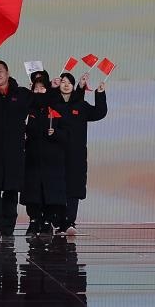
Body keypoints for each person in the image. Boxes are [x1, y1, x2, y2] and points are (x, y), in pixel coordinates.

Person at [0, 60, 35, 241]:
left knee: (12, 189)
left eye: (0, 71)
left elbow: (42, 104)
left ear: (7, 72)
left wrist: (51, 88)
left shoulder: (22, 94)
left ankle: (8, 228)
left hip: (15, 151)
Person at [52, 71, 107, 234]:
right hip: (56, 152)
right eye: (63, 82)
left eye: (69, 82)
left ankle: (70, 221)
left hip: (76, 154)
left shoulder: (81, 106)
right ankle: (58, 222)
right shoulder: (53, 104)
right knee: (56, 187)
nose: (66, 85)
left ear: (73, 85)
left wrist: (100, 93)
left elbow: (99, 113)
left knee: (74, 187)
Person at [21, 76, 68, 236]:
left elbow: (67, 134)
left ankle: (48, 221)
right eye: (36, 88)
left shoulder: (56, 109)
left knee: (50, 192)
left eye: (42, 88)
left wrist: (56, 133)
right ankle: (34, 221)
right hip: (32, 159)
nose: (39, 91)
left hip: (52, 160)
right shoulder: (28, 110)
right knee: (33, 193)